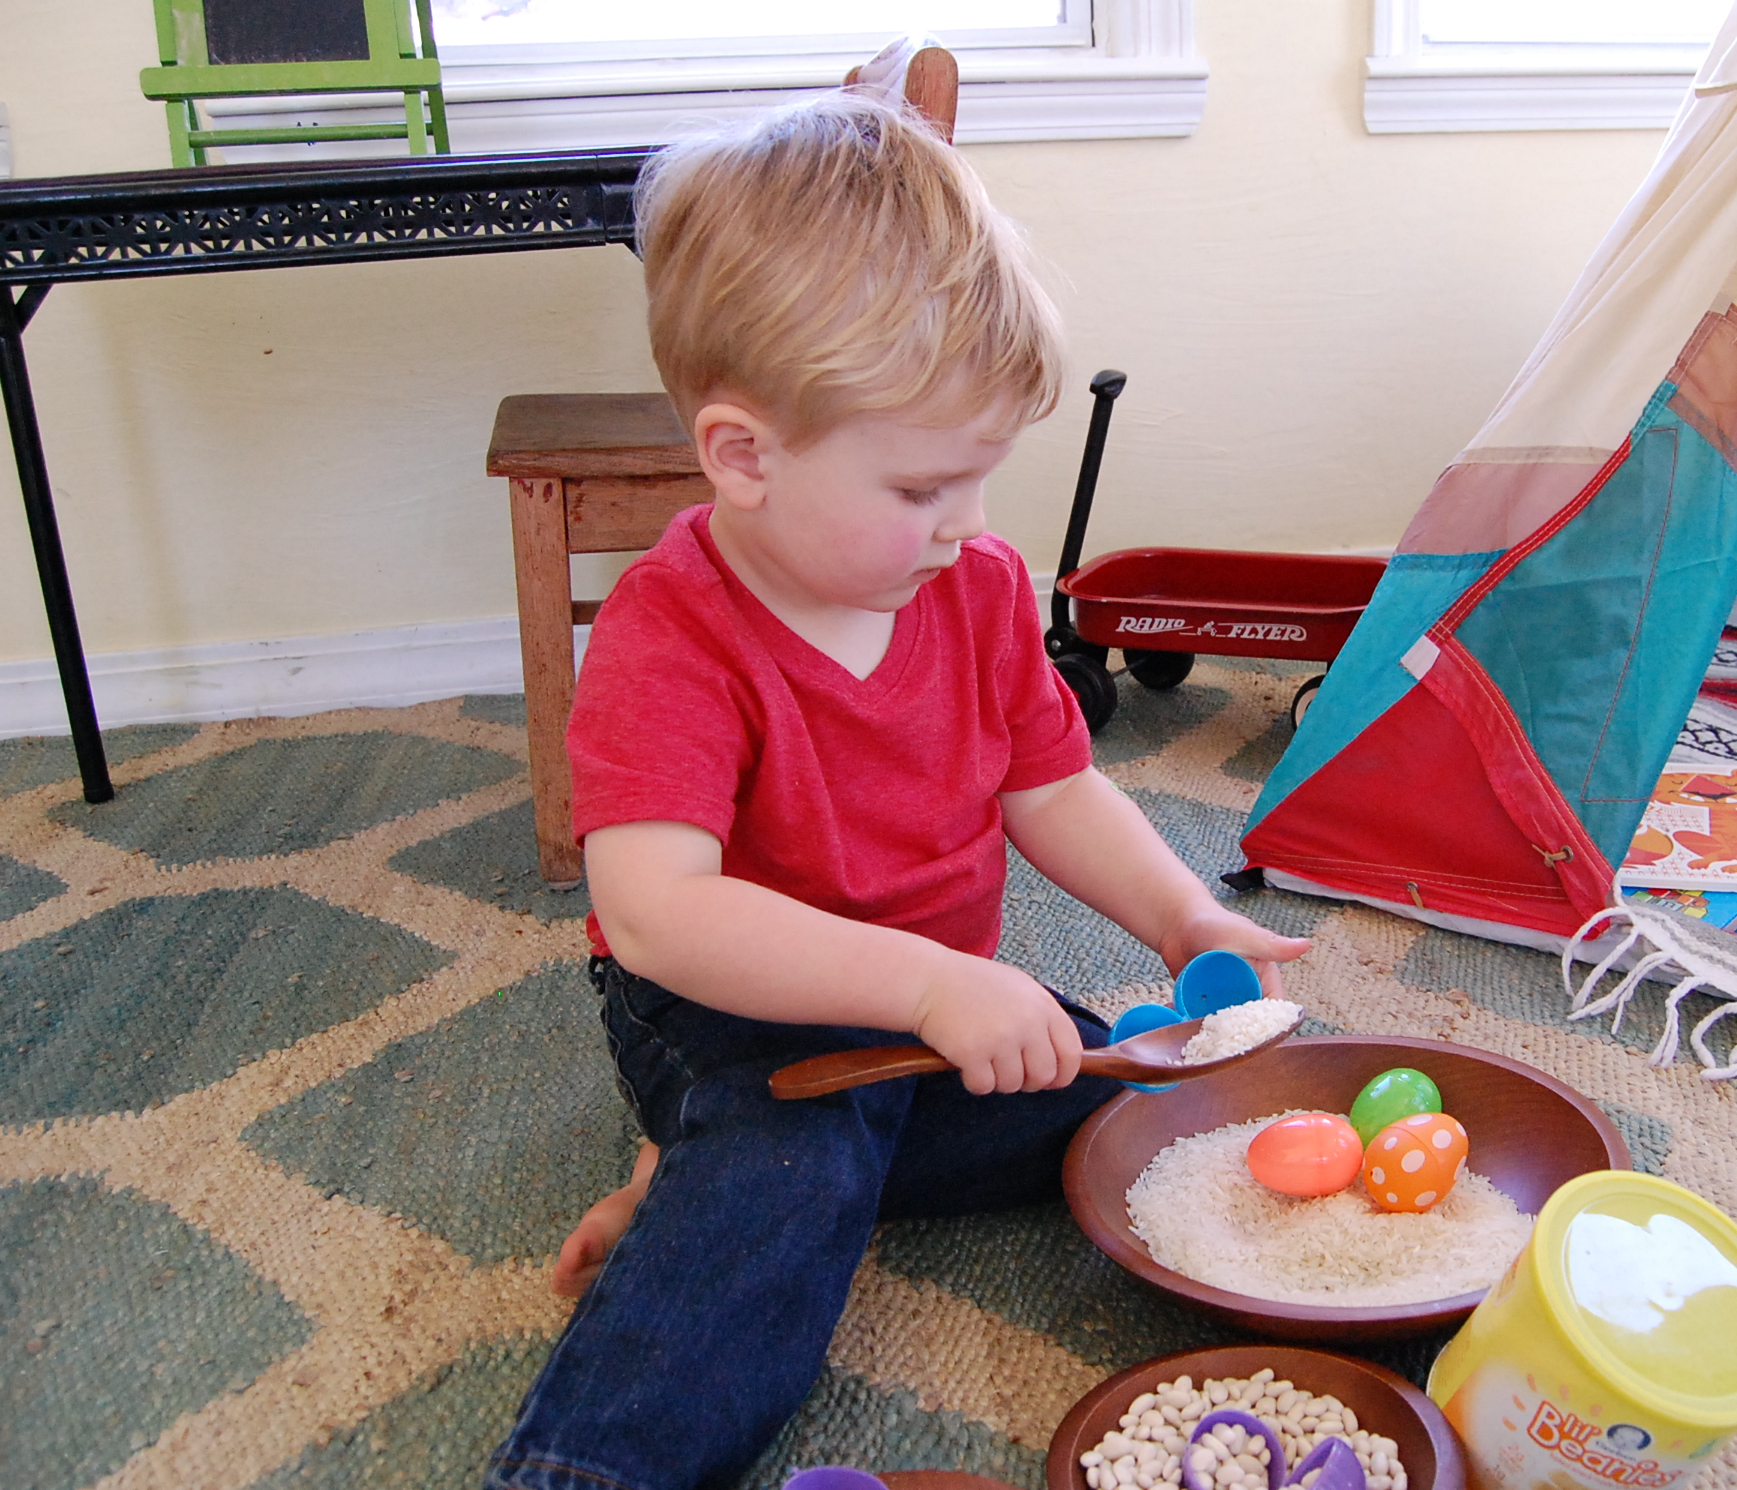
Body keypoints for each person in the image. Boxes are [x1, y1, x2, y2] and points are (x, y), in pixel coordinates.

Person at [485, 92, 1309, 1490]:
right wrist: (927, 989)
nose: (971, 527)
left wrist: (1185, 922)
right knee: (797, 1158)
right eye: (927, 487)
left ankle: (705, 1200)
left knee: (1129, 1088)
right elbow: (660, 913)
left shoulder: (974, 588)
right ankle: (597, 1449)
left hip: (934, 1004)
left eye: (983, 478)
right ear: (742, 455)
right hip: (721, 1015)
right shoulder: (667, 631)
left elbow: (1053, 790)